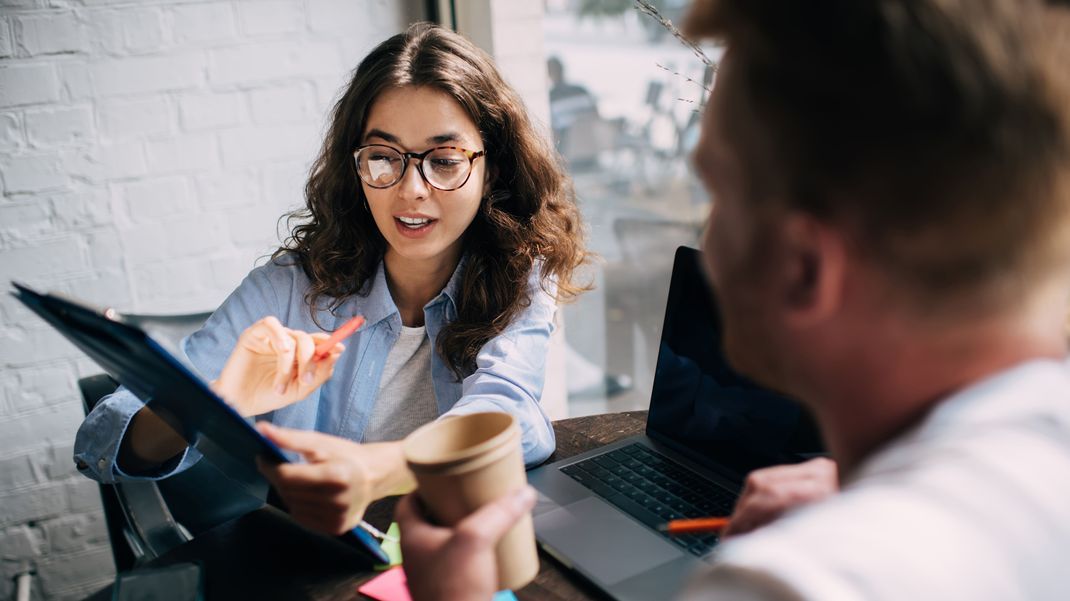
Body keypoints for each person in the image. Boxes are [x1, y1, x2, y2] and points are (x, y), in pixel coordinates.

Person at [396, 1, 1070, 600]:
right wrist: (859, 482)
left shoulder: (785, 581)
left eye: (717, 192)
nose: (704, 235)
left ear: (804, 269)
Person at [74, 22, 588, 536]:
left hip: (450, 548)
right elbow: (105, 440)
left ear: (491, 170)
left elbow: (511, 414)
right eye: (384, 158)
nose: (411, 190)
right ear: (357, 164)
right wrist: (218, 402)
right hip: (321, 563)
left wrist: (377, 470)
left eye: (445, 161)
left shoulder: (517, 274)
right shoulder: (291, 285)